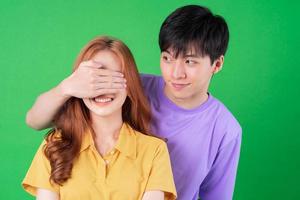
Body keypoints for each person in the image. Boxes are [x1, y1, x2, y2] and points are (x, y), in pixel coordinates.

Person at [25, 5, 242, 200]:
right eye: (167, 58)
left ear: (217, 64)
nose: (176, 73)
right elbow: (35, 120)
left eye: (190, 61)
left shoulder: (226, 130)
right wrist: (67, 87)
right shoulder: (129, 85)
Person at [22, 36, 177, 200]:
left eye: (114, 78)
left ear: (129, 84)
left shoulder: (154, 151)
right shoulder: (54, 146)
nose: (103, 89)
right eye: (95, 78)